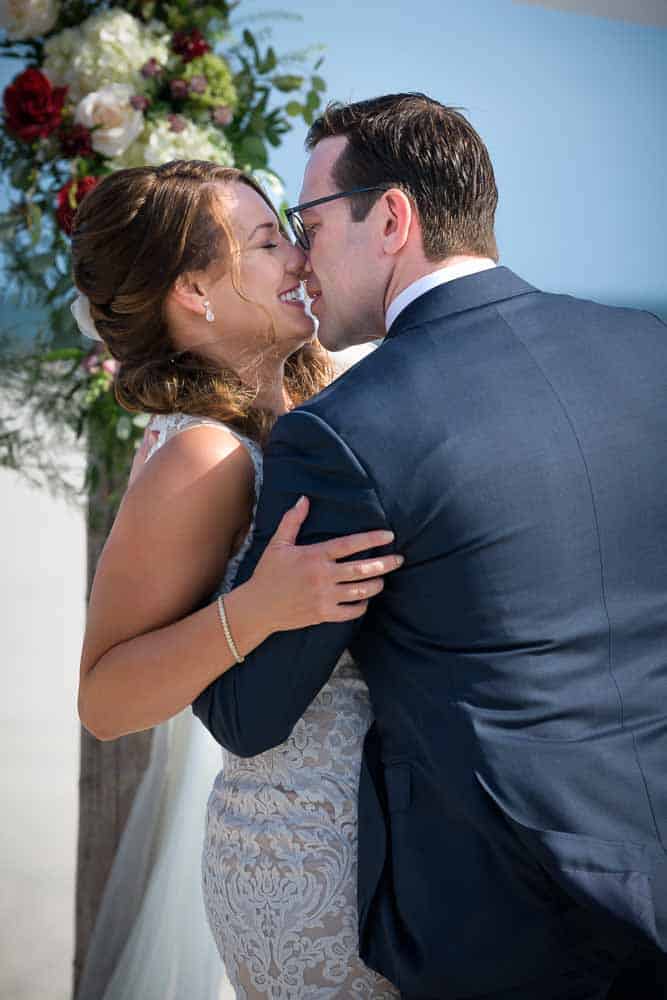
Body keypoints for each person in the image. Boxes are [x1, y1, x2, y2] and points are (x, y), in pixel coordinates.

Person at [193, 93, 667, 999]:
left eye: (310, 220)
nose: (299, 256)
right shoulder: (646, 349)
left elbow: (249, 717)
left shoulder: (347, 432)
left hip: (502, 918)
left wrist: (236, 604)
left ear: (393, 218)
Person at [72, 160, 401, 998]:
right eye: (267, 242)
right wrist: (258, 609)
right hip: (304, 859)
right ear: (194, 290)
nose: (299, 258)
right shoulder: (203, 453)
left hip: (399, 840)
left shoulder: (310, 415)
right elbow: (106, 701)